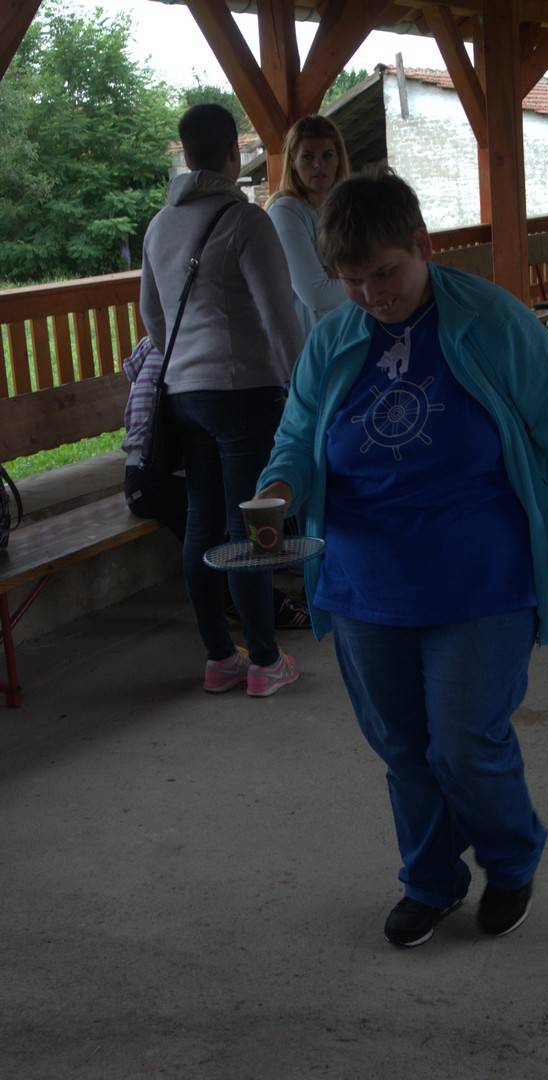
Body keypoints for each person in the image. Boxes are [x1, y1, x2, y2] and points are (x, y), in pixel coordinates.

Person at [255, 174, 548, 947]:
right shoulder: (334, 338)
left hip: (481, 578)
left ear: (423, 244)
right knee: (402, 746)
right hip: (364, 583)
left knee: (463, 743)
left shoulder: (494, 322)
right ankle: (430, 880)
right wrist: (278, 488)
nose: (371, 295)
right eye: (351, 280)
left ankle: (510, 859)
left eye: (385, 272)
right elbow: (297, 434)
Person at [140, 104, 304, 697]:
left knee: (201, 523)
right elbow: (279, 316)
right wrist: (301, 387)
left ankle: (219, 658)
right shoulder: (245, 221)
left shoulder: (160, 226)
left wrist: (187, 363)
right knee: (250, 528)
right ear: (235, 151)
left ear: (186, 154)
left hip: (184, 397)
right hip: (244, 395)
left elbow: (152, 317)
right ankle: (265, 662)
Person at [121, 336, 311, 630]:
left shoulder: (158, 345)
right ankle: (260, 612)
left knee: (223, 513)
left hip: (142, 476)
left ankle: (239, 621)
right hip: (157, 480)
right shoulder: (196, 360)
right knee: (230, 521)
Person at [266, 115, 349, 338]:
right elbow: (317, 295)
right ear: (293, 162)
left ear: (339, 160)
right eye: (308, 157)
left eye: (327, 155)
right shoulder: (286, 211)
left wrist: (340, 277)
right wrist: (365, 279)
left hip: (345, 333)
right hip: (308, 341)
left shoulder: (344, 208)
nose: (318, 165)